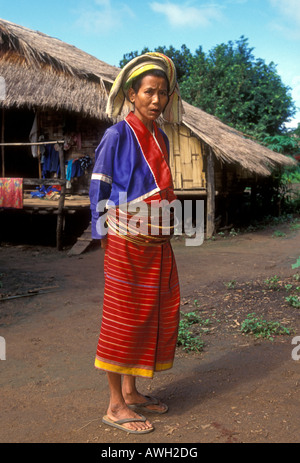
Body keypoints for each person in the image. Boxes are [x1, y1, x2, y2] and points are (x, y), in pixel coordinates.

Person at [89, 52, 184, 434]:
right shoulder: (117, 135)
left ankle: (130, 393)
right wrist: (102, 235)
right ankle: (114, 406)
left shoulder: (159, 134)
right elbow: (100, 185)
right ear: (132, 93)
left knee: (153, 314)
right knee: (124, 320)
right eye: (148, 92)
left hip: (156, 242)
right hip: (126, 240)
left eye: (162, 93)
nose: (156, 101)